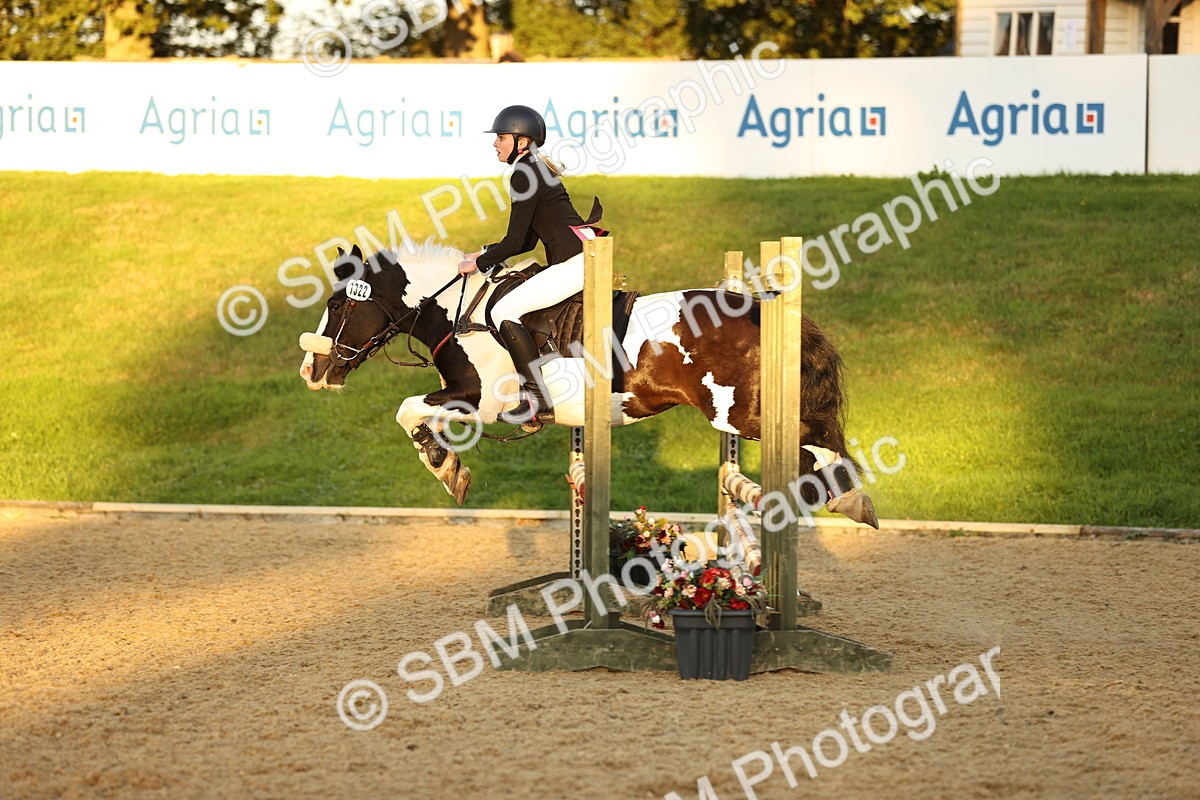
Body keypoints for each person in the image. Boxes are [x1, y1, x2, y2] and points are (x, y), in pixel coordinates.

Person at [457, 104, 604, 428]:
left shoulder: (525, 172)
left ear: (521, 142)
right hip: (579, 259)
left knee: (502, 312)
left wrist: (479, 263)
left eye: (501, 137)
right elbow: (524, 242)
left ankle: (537, 400)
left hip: (576, 264)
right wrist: (481, 253)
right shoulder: (533, 168)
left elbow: (514, 242)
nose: (495, 143)